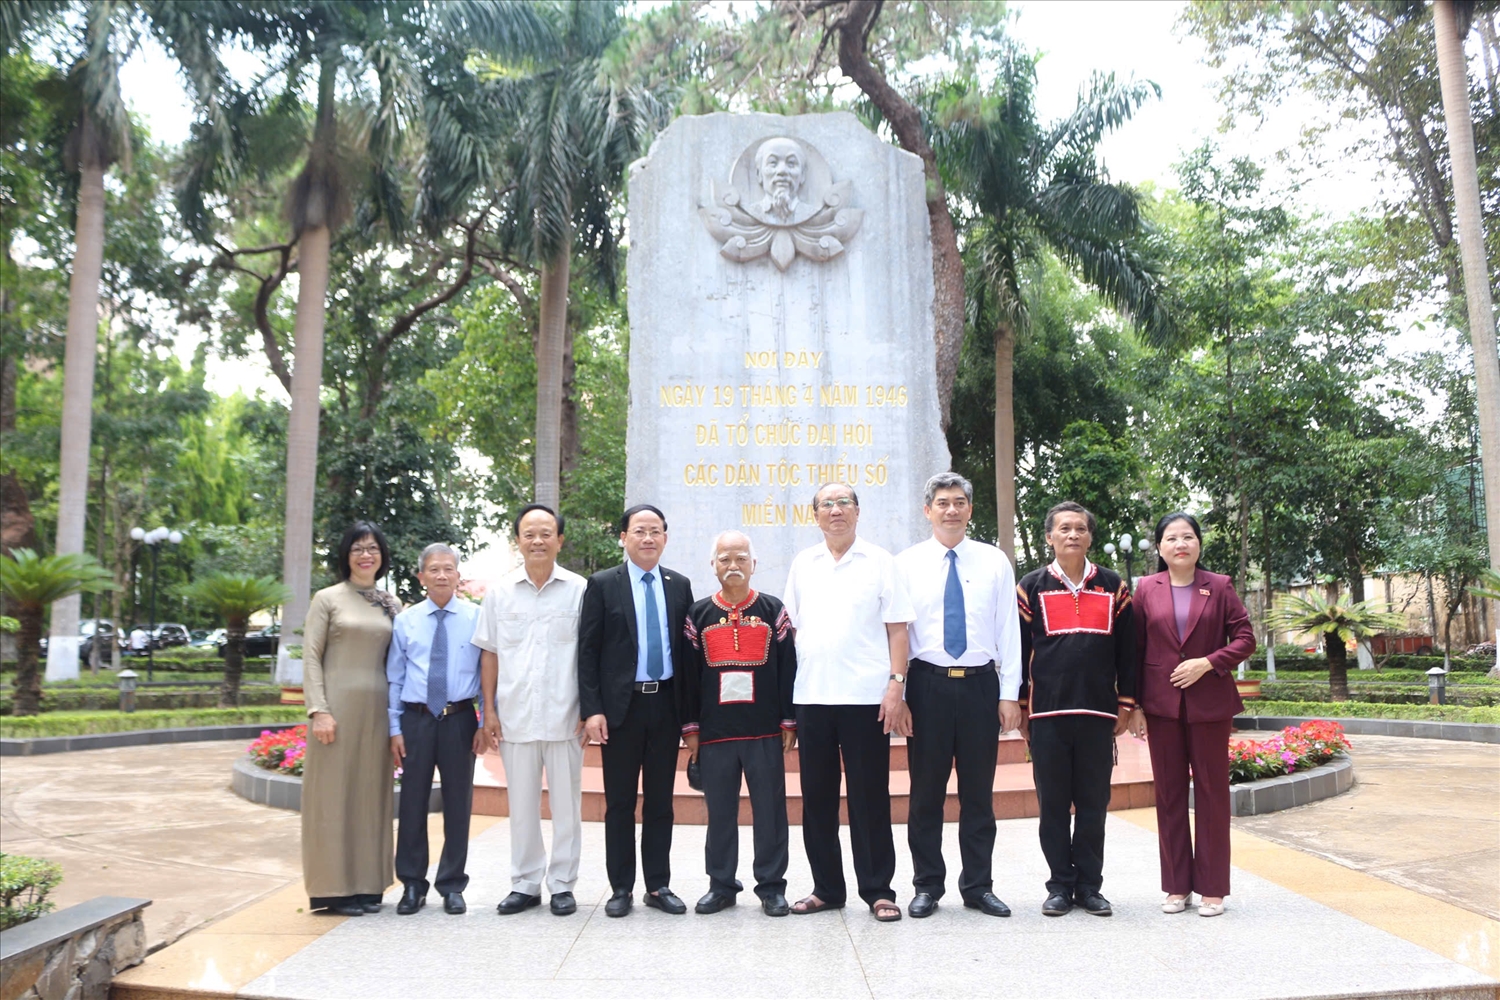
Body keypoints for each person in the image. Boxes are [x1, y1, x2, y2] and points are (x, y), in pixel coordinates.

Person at [783, 482, 914, 923]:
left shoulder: (880, 562)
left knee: (869, 797)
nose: (836, 510)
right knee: (816, 799)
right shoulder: (804, 564)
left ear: (858, 512)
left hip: (866, 700)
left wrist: (896, 686)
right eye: (827, 504)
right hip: (813, 698)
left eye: (844, 503)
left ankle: (878, 889)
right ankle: (826, 888)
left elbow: (899, 630)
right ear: (815, 514)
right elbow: (794, 632)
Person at [895, 472, 1023, 919]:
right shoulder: (905, 563)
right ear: (927, 510)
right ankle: (927, 885)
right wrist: (900, 694)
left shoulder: (994, 562)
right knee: (925, 793)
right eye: (942, 502)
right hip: (926, 685)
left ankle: (978, 885)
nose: (952, 509)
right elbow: (896, 634)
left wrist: (1010, 694)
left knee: (978, 794)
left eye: (959, 502)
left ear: (970, 509)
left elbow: (1009, 631)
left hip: (979, 687)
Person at [1128, 512, 1256, 918]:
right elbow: (1135, 648)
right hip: (1161, 707)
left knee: (1213, 795)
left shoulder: (1218, 586)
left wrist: (1208, 662)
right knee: (1168, 797)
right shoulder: (1146, 588)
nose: (1180, 544)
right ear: (1160, 548)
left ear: (1198, 544)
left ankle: (1213, 888)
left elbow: (1246, 639)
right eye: (1171, 538)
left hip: (1210, 706)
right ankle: (1177, 886)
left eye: (1187, 537)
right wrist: (1134, 706)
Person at [1016, 501, 1137, 918]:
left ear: (1090, 536)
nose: (1072, 535)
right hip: (1047, 714)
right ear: (1049, 536)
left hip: (1098, 714)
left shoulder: (1113, 586)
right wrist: (1019, 704)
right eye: (1063, 528)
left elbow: (1129, 651)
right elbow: (1018, 651)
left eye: (1080, 529)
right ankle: (1059, 886)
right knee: (1052, 805)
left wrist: (1127, 703)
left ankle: (1089, 887)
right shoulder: (1030, 586)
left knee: (1092, 805)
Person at [577, 504, 695, 917]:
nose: (648, 538)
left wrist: (690, 716)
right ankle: (621, 887)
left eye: (656, 531)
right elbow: (587, 651)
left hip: (665, 704)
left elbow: (688, 653)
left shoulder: (679, 585)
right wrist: (592, 709)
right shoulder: (603, 584)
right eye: (640, 531)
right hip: (620, 709)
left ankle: (658, 885)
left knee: (661, 801)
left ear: (665, 537)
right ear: (623, 537)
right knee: (620, 802)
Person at [475, 504, 587, 918]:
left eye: (546, 533)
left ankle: (562, 885)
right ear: (517, 541)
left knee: (567, 809)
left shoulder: (580, 590)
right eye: (529, 534)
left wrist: (589, 709)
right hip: (516, 716)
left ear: (560, 539)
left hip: (566, 715)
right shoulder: (500, 592)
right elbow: (489, 653)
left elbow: (589, 656)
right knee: (520, 806)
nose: (537, 541)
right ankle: (524, 884)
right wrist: (489, 711)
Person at [680, 530, 798, 917]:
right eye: (725, 559)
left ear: (753, 564)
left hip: (764, 730)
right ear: (712, 565)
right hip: (714, 733)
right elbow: (687, 675)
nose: (733, 566)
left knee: (770, 810)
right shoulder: (697, 615)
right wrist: (691, 729)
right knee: (720, 812)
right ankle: (721, 884)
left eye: (741, 558)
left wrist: (788, 720)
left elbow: (787, 669)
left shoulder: (772, 609)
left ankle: (771, 886)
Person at [302, 521, 402, 916]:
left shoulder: (390, 604)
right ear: (346, 555)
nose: (366, 555)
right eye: (358, 548)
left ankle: (367, 885)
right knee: (333, 797)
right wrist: (319, 710)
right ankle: (333, 889)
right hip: (337, 712)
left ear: (382, 556)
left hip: (377, 713)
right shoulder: (327, 599)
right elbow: (311, 656)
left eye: (373, 548)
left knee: (369, 797)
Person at [387, 543, 482, 916]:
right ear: (421, 576)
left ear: (459, 576)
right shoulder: (405, 621)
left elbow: (488, 673)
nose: (442, 576)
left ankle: (451, 884)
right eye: (434, 570)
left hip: (460, 719)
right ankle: (412, 883)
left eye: (448, 569)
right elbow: (395, 678)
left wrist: (484, 719)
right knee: (412, 802)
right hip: (416, 720)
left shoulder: (476, 618)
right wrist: (395, 728)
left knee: (459, 803)